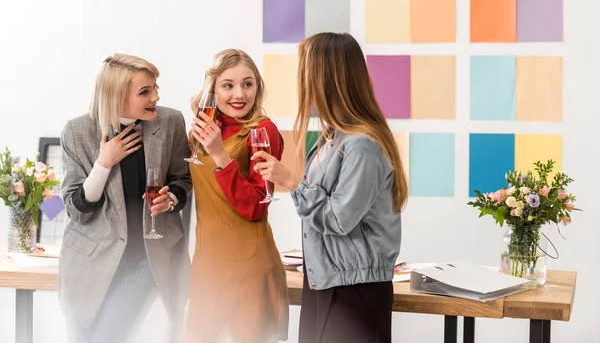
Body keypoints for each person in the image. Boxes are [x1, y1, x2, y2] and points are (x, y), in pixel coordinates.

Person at [252, 32, 408, 343]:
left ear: (324, 78)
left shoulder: (362, 145)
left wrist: (292, 181)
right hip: (326, 283)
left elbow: (338, 219)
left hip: (353, 292)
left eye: (304, 71)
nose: (300, 80)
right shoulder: (335, 136)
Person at [59, 54, 192, 343]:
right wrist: (103, 164)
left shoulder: (170, 122)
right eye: (145, 91)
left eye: (155, 87)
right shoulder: (78, 131)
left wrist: (171, 199)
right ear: (115, 95)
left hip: (148, 258)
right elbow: (75, 209)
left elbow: (183, 178)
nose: (156, 96)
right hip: (91, 265)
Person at [185, 48, 289, 342]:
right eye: (227, 85)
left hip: (248, 267)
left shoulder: (263, 131)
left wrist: (220, 154)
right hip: (207, 264)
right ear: (213, 89)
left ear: (258, 86)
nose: (239, 94)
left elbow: (256, 206)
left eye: (248, 83)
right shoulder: (201, 131)